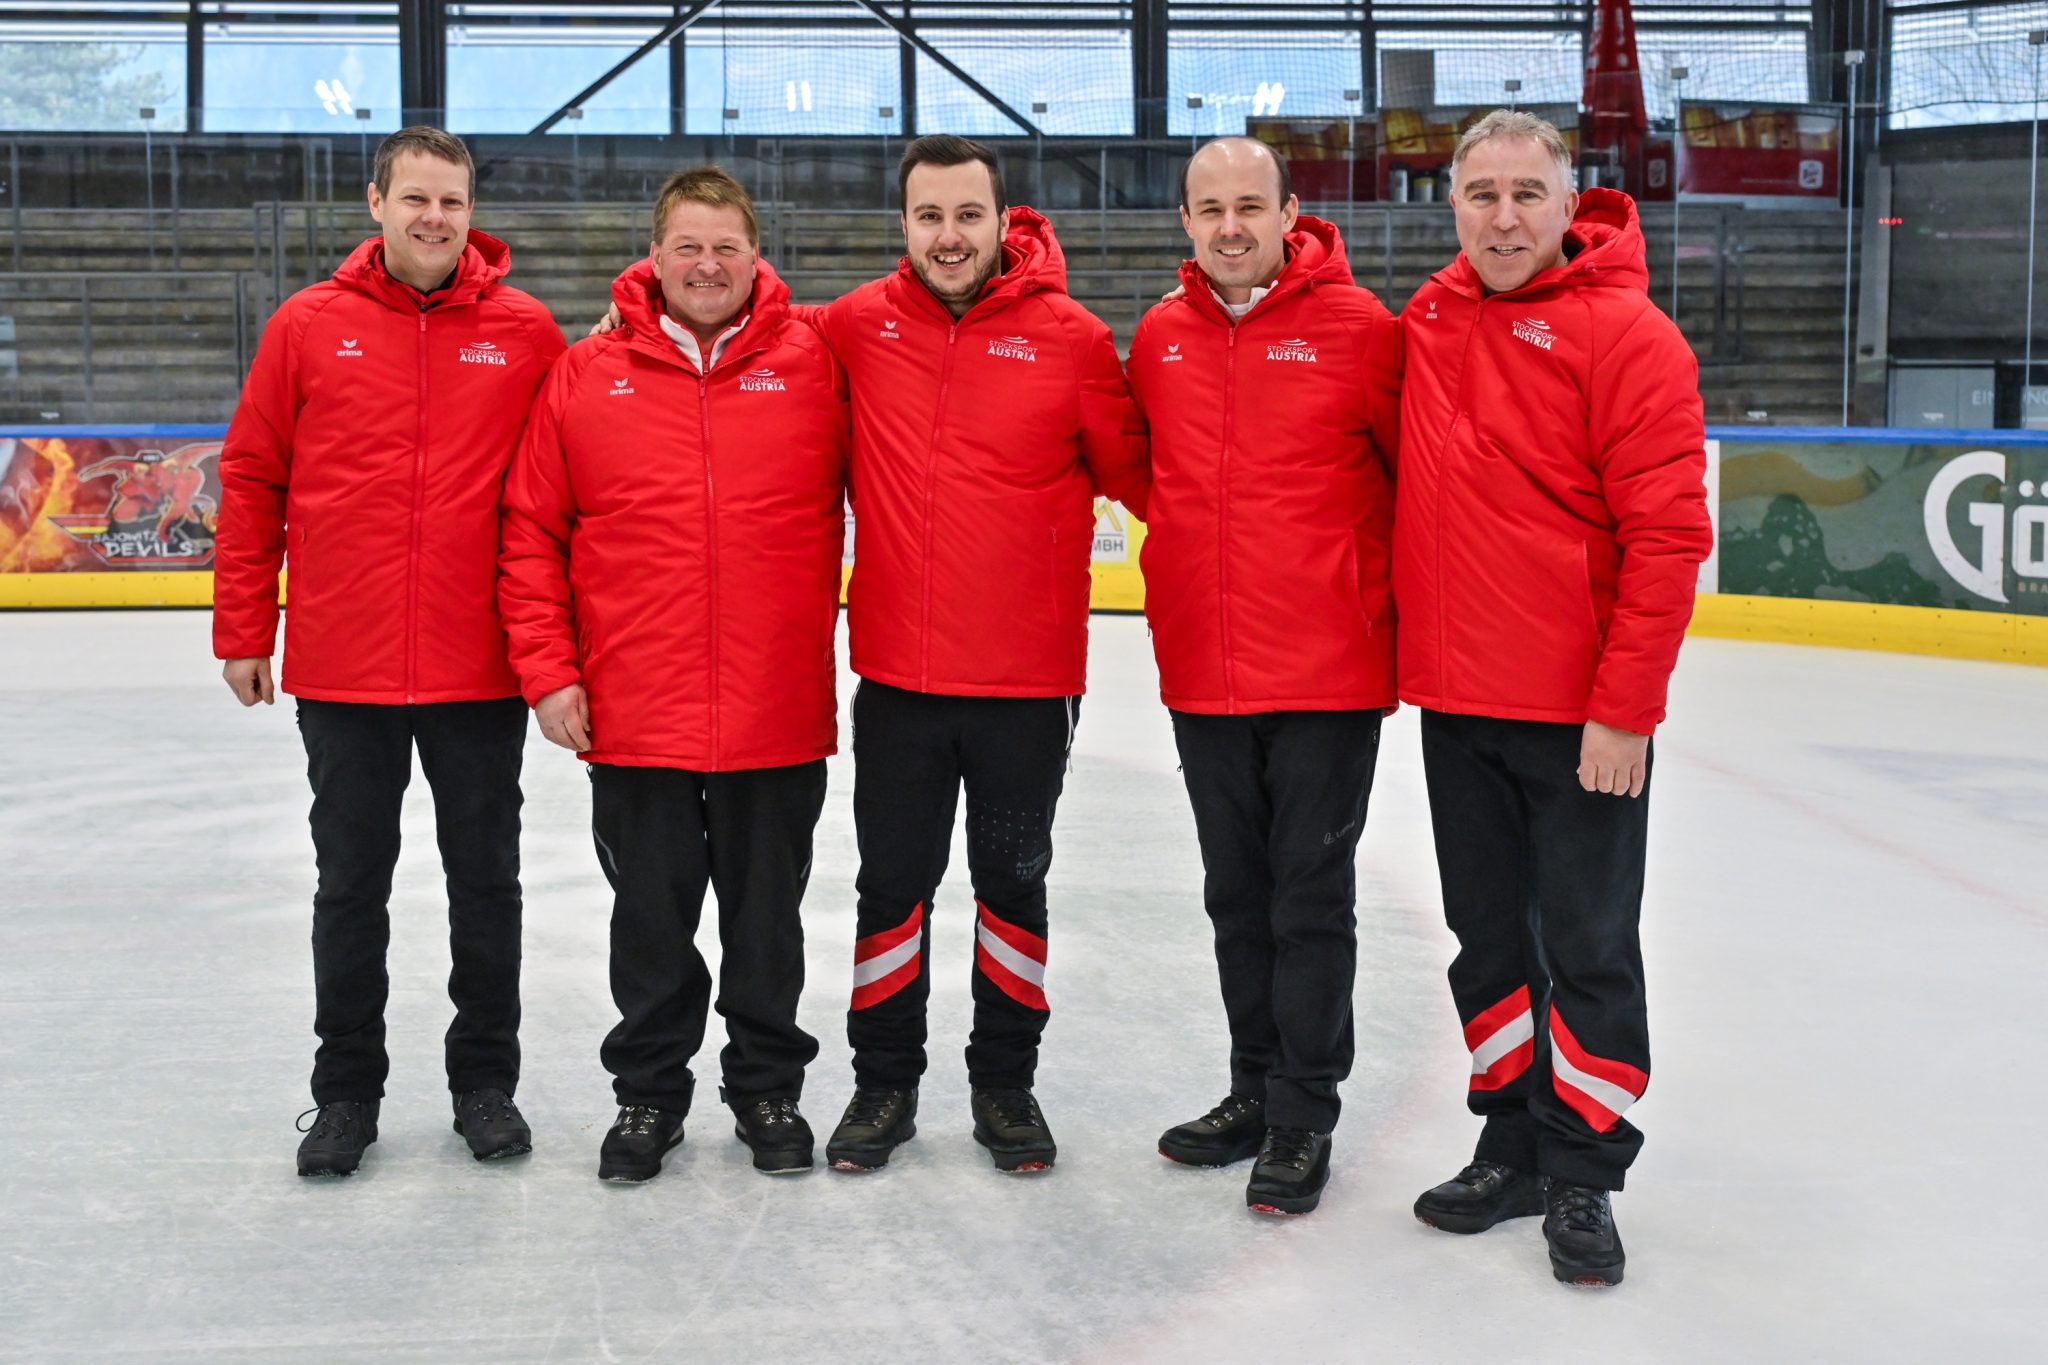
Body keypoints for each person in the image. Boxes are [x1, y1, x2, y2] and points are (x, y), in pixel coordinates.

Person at [212, 126, 566, 1177]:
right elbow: (252, 478)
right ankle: (345, 1094)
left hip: (477, 667)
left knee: (485, 883)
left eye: (451, 202)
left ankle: (483, 1082)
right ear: (375, 202)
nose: (433, 219)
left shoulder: (525, 332)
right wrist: (245, 628)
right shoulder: (308, 326)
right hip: (346, 665)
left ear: (471, 211)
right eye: (414, 198)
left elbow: (560, 498)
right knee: (349, 887)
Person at [1395, 110, 1711, 1286]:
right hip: (1455, 703)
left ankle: (1581, 1171)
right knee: (1487, 941)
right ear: (1452, 206)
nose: (1502, 215)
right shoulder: (1427, 321)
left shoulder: (1629, 338)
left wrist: (1623, 708)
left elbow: (1667, 538)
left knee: (1582, 946)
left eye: (1526, 193)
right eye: (1479, 194)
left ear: (1569, 204)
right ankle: (1509, 1143)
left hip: (1581, 717)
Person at [498, 166, 849, 1183]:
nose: (707, 265)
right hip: (633, 707)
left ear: (755, 256)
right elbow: (530, 533)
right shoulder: (583, 373)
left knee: (764, 924)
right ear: (654, 257)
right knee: (650, 923)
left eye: (726, 248)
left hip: (773, 707)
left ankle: (766, 1089)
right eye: (688, 247)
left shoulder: (816, 363)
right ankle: (647, 1098)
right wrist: (548, 673)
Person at [809, 136, 1149, 1174]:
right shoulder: (854, 328)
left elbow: (1148, 483)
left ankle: (1004, 1087)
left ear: (1004, 222)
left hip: (1024, 685)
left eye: (967, 215)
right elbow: (728, 317)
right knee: (891, 891)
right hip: (900, 683)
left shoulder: (1074, 340)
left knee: (1012, 889)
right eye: (927, 217)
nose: (947, 237)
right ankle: (883, 1084)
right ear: (901, 224)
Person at [1127, 137, 1402, 1216]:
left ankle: (1300, 1114)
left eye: (1250, 204)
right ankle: (1251, 1086)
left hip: (1326, 671)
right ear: (1185, 221)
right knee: (1235, 897)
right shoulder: (1159, 337)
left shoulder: (1362, 333)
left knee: (1308, 901)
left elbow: (1410, 479)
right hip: (1204, 666)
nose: (1229, 226)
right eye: (1209, 208)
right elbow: (1143, 469)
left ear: (1290, 211)